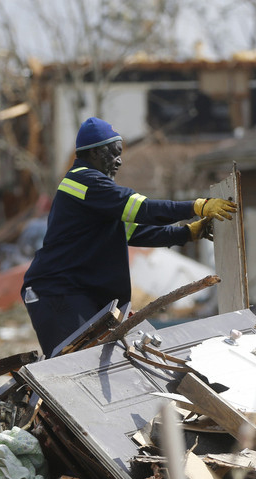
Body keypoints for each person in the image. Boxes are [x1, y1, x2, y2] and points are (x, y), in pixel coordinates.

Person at [22, 117, 237, 357]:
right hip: (58, 293)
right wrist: (197, 206)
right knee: (75, 363)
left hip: (73, 292)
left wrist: (186, 232)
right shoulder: (84, 181)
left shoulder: (94, 196)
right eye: (113, 153)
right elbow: (142, 209)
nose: (119, 161)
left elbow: (135, 232)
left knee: (95, 363)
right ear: (93, 152)